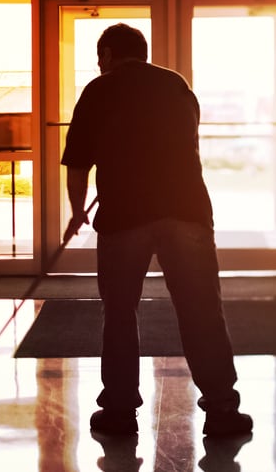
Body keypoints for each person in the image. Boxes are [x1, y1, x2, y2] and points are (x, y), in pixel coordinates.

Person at [61, 23, 252, 437]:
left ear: (109, 54)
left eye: (100, 56)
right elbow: (183, 143)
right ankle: (222, 410)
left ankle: (118, 411)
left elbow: (77, 163)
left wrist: (77, 212)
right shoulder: (177, 86)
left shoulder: (98, 90)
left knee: (119, 313)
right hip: (186, 210)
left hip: (124, 215)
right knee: (202, 311)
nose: (99, 64)